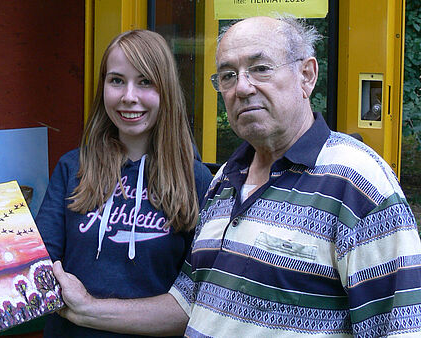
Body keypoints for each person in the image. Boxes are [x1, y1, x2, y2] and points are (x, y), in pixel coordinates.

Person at [52, 16, 421, 337]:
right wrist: (87, 310)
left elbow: (399, 326)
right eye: (228, 75)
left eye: (260, 68)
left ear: (306, 75)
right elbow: (186, 303)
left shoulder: (358, 183)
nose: (242, 87)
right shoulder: (224, 182)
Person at [0, 29, 213, 337]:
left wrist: (91, 309)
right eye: (116, 80)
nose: (128, 96)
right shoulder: (73, 168)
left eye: (145, 81)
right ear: (103, 87)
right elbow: (36, 263)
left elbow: (198, 301)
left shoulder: (197, 180)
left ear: (167, 91)